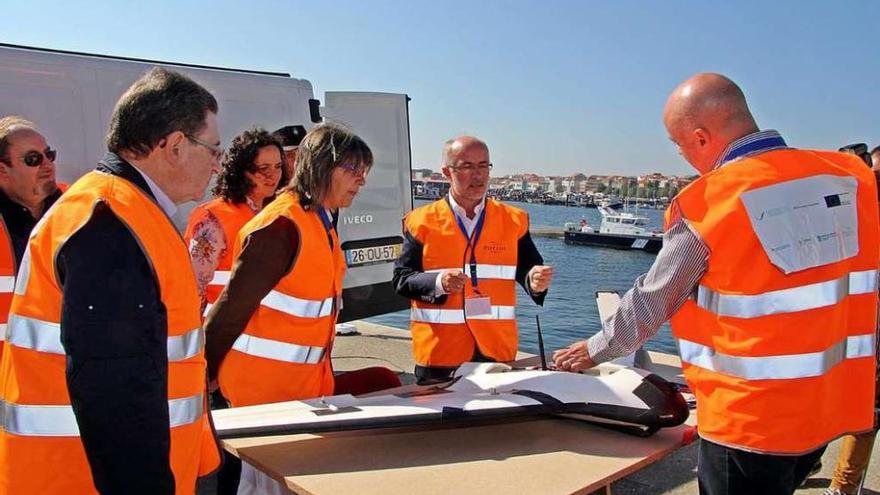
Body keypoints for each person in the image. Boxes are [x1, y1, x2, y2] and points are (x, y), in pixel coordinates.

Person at [552, 73, 878, 495]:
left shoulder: (711, 201)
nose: (683, 155)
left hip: (749, 421)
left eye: (679, 144)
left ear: (702, 138)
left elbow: (654, 300)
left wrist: (591, 350)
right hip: (826, 409)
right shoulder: (850, 177)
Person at [0, 67, 222, 494]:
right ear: (175, 145)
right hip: (77, 479)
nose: (217, 163)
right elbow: (118, 398)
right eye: (212, 148)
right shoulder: (110, 223)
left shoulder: (120, 212)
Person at [204, 123, 400, 408]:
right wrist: (202, 380)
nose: (362, 181)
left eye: (364, 172)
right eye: (353, 171)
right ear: (322, 168)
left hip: (304, 390)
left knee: (384, 382)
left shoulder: (318, 223)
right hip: (265, 397)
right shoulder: (282, 226)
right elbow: (229, 313)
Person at [393, 136, 554, 384]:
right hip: (440, 355)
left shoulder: (513, 220)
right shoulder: (420, 221)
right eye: (467, 166)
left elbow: (528, 270)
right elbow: (401, 280)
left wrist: (534, 281)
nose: (477, 175)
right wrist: (439, 282)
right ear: (447, 172)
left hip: (496, 352)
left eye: (483, 166)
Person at [822, 144, 880, 495]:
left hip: (870, 329)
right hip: (841, 324)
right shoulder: (852, 208)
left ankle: (842, 487)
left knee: (867, 412)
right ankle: (809, 457)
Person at [184, 127, 287, 311]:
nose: (273, 175)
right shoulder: (214, 218)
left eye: (278, 166)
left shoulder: (280, 214)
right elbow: (192, 286)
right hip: (223, 333)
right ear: (243, 171)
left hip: (265, 333)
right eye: (263, 168)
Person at [0, 116, 66, 361]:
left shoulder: (77, 207)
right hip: (8, 371)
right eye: (33, 159)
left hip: (64, 372)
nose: (47, 164)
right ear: (2, 170)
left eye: (49, 154)